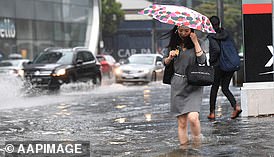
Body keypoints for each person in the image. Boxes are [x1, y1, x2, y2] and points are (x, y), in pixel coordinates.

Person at [162, 25, 207, 145]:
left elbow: (202, 60)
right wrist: (170, 57)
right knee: (182, 122)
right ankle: (184, 150)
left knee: (193, 118)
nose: (183, 33)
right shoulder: (173, 44)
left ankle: (197, 145)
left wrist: (195, 41)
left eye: (186, 31)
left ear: (191, 31)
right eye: (180, 30)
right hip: (177, 84)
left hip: (194, 83)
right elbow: (165, 62)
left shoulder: (199, 42)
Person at [207, 16, 242, 120]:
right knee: (225, 88)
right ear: (219, 23)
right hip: (229, 64)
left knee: (214, 88)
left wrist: (211, 61)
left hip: (218, 66)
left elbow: (216, 50)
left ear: (210, 24)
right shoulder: (226, 34)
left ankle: (212, 113)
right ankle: (236, 106)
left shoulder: (212, 36)